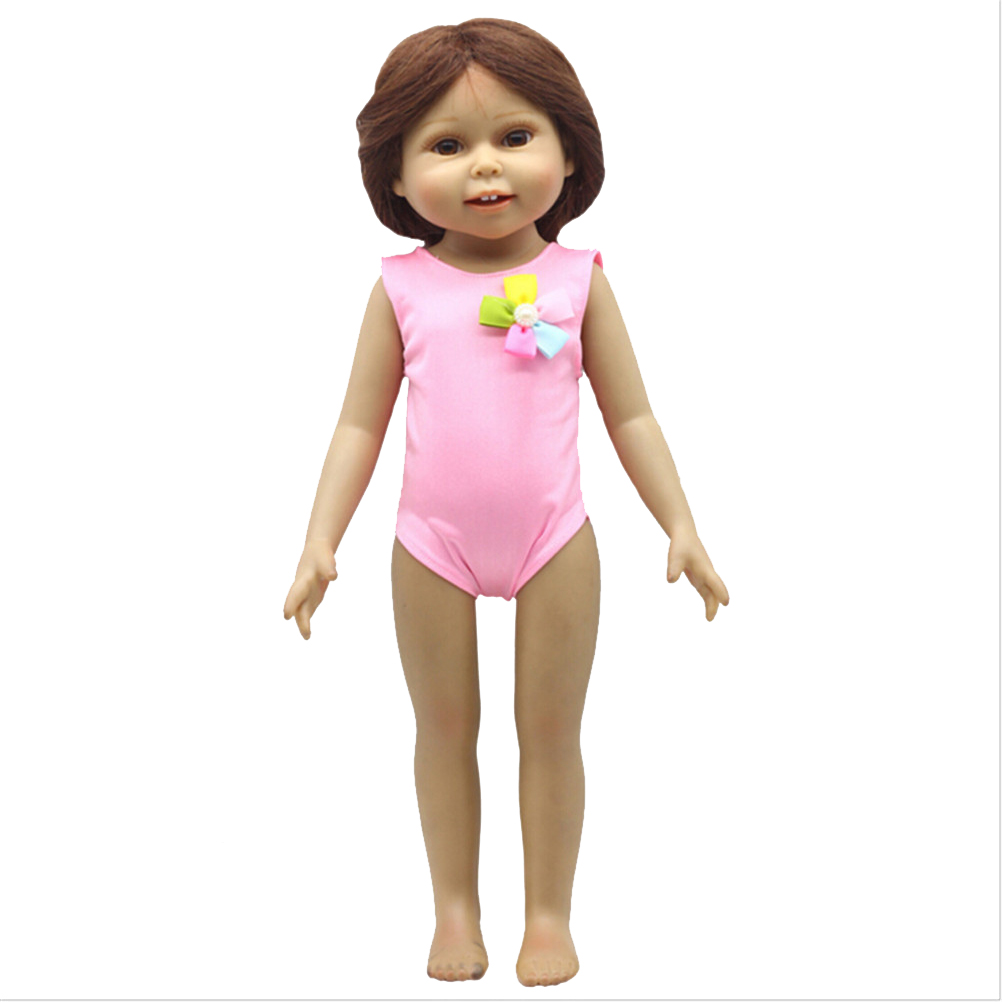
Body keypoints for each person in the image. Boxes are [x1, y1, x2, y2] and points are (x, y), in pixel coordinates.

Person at [283, 18, 729, 988]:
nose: (485, 166)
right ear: (395, 176)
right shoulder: (400, 290)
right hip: (429, 543)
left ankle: (547, 913)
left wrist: (680, 523)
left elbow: (632, 415)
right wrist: (321, 539)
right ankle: (454, 907)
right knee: (443, 731)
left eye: (514, 136)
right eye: (447, 145)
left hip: (554, 537)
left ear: (568, 151)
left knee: (552, 734)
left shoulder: (578, 281)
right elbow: (358, 426)